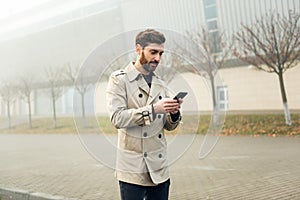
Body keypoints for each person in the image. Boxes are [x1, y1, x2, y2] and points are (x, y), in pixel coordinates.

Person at [106, 29, 183, 200]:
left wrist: (174, 113)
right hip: (132, 169)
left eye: (161, 53)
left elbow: (168, 127)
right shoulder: (119, 79)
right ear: (138, 49)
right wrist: (154, 109)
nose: (157, 58)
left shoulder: (160, 82)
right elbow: (117, 118)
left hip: (159, 167)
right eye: (153, 52)